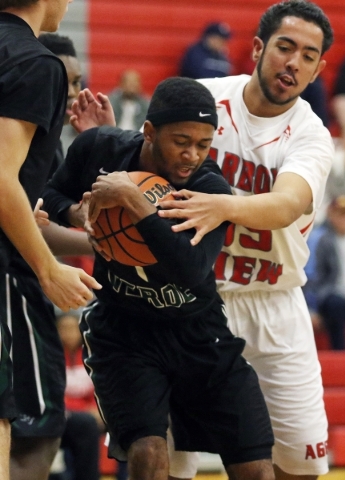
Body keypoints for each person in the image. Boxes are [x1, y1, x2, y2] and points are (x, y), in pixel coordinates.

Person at [42, 76, 275, 480]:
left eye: (203, 144)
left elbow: (188, 270)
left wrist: (133, 202)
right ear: (149, 132)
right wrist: (78, 215)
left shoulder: (208, 189)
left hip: (199, 332)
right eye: (181, 141)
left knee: (255, 466)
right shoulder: (100, 148)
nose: (192, 155)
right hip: (124, 334)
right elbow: (51, 196)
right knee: (148, 452)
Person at [156, 2, 335, 479]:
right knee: (162, 458)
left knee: (302, 463)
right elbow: (145, 170)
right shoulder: (202, 99)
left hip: (273, 303)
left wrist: (220, 206)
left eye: (308, 55)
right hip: (191, 299)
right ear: (258, 48)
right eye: (285, 47)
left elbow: (286, 204)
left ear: (319, 69)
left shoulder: (312, 136)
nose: (293, 62)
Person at [0, 2, 100, 479]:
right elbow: (2, 182)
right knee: (33, 426)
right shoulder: (35, 62)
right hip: (9, 278)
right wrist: (47, 267)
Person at [49, 311, 102, 480]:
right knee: (84, 423)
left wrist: (97, 408)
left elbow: (101, 390)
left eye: (74, 328)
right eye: (63, 328)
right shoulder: (49, 357)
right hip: (59, 413)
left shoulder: (93, 356)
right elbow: (50, 392)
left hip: (89, 415)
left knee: (90, 425)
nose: (69, 333)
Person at [313, 195, 345, 350]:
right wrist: (312, 308)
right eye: (339, 214)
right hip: (335, 294)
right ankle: (340, 352)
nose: (344, 219)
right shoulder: (325, 241)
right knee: (336, 305)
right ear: (331, 216)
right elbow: (317, 276)